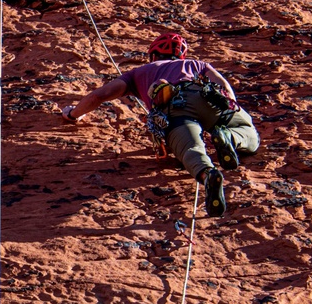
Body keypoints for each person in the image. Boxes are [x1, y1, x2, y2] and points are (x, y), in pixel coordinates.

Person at [60, 33, 259, 217]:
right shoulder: (197, 64)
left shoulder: (138, 73)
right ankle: (230, 138)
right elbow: (224, 87)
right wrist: (229, 109)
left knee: (189, 148)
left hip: (175, 109)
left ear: (153, 54)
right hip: (207, 99)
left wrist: (73, 114)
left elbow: (99, 96)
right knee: (246, 130)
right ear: (181, 55)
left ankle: (208, 175)